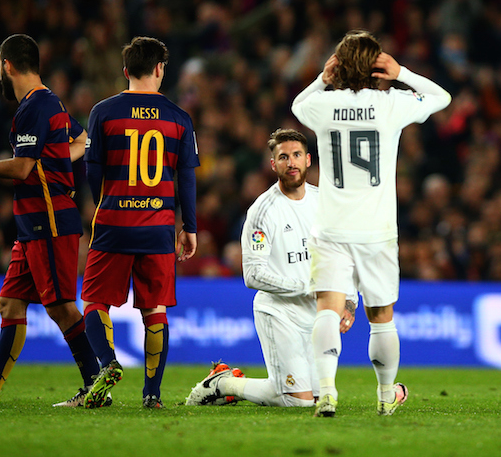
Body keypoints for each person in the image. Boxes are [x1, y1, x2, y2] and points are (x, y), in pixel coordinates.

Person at [291, 30, 451, 417]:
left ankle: (327, 391)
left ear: (340, 65)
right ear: (376, 65)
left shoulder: (324, 106)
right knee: (381, 318)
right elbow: (442, 98)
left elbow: (298, 106)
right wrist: (402, 72)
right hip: (377, 230)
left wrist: (321, 80)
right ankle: (384, 396)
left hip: (330, 228)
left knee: (328, 310)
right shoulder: (391, 103)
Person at [0, 34, 100, 406]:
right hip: (31, 221)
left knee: (61, 305)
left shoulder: (36, 107)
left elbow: (22, 167)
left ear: (8, 65)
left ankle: (96, 382)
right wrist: (57, 163)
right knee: (10, 302)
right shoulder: (50, 104)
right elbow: (83, 141)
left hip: (47, 220)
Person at [185, 129, 356, 408]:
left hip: (316, 314)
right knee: (297, 402)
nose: (292, 163)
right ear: (273, 164)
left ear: (308, 160)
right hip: (279, 312)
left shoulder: (325, 203)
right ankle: (223, 385)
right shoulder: (262, 211)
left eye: (297, 155)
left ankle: (223, 381)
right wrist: (308, 288)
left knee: (313, 398)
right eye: (284, 157)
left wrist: (349, 300)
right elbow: (252, 275)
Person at [80, 36, 200, 409]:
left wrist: (109, 201)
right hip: (159, 226)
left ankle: (108, 364)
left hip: (113, 222)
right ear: (160, 69)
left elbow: (92, 170)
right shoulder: (179, 118)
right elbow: (186, 179)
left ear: (126, 70)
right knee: (155, 309)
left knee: (95, 302)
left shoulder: (103, 112)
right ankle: (152, 394)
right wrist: (189, 226)